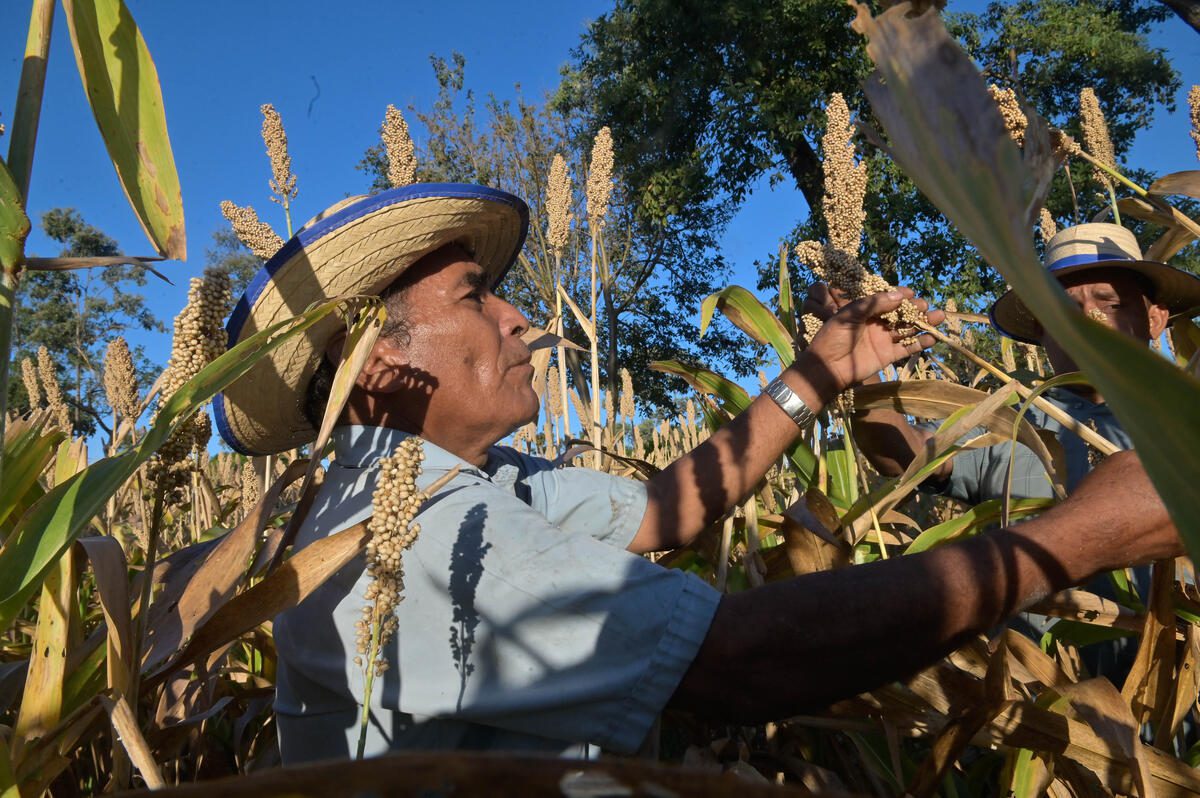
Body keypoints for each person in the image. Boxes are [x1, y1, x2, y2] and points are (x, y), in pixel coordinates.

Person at [214, 187, 1181, 764]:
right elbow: (736, 662)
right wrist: (1087, 533)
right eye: (477, 297)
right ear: (379, 362)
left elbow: (668, 509)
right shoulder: (409, 526)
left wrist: (819, 371)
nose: (517, 319)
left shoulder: (476, 482)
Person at [805, 222, 1200, 502]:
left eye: (1109, 303)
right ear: (1041, 330)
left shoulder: (1189, 416)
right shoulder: (1008, 421)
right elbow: (904, 455)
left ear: (1154, 319)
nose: (1083, 321)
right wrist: (859, 372)